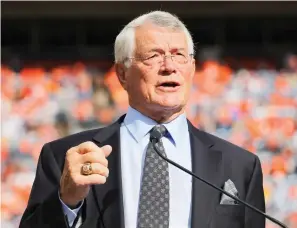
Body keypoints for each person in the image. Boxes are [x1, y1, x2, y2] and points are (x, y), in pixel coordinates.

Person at [20, 11, 265, 228]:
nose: (169, 66)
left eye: (180, 55)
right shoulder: (66, 157)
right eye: (153, 56)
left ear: (192, 68)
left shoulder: (241, 166)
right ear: (122, 74)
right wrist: (67, 201)